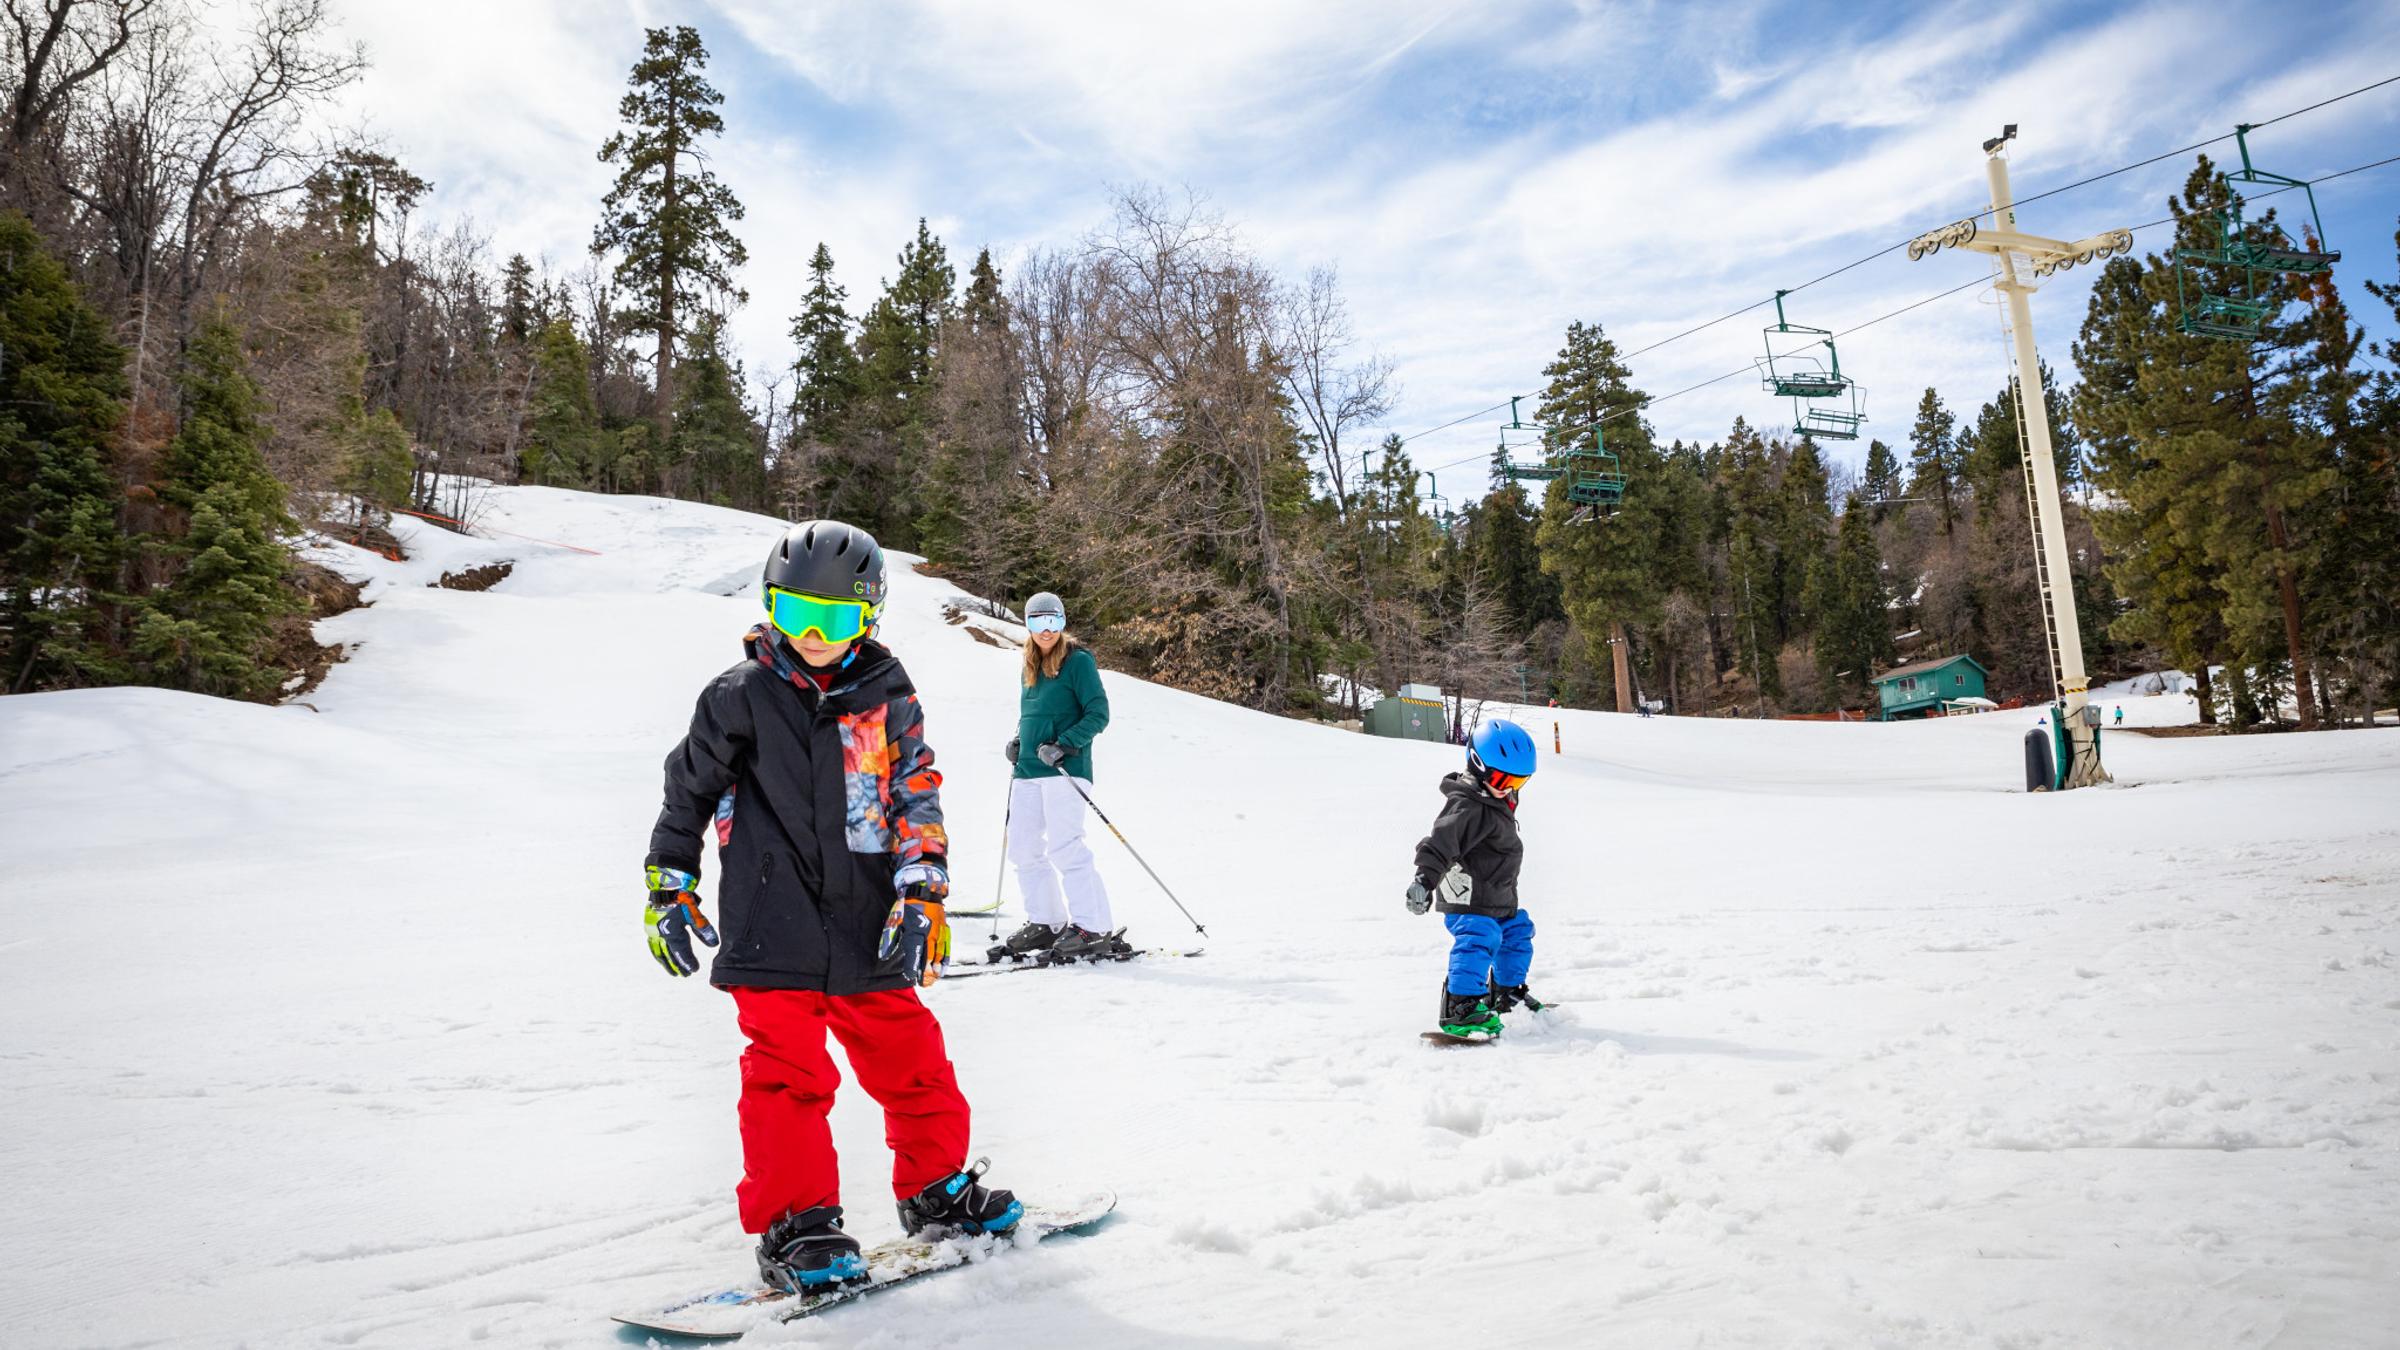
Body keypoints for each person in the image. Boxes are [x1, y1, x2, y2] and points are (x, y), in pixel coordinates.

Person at [642, 520, 1021, 1294]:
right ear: (769, 607)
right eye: (795, 614)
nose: (814, 637)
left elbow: (916, 792)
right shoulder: (737, 697)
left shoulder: (888, 698)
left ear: (870, 617)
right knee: (787, 1081)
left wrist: (923, 892)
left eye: (837, 619)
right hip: (768, 923)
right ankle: (799, 1226)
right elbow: (689, 793)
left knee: (915, 1065)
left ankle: (936, 1191)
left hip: (867, 925)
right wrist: (669, 880)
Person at [994, 592, 1125, 961]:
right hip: (1028, 771)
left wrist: (1065, 744)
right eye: (1038, 622)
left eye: (1053, 622)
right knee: (1022, 847)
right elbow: (1031, 715)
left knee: (1065, 846)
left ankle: (1093, 926)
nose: (1046, 630)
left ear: (1063, 623)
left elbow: (1098, 713)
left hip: (1064, 769)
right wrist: (1019, 741)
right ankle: (1047, 922)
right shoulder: (1028, 664)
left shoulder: (1078, 662)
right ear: (1028, 626)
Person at [1405, 719, 1541, 1037]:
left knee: (1518, 933)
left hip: (1496, 895)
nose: (1508, 788)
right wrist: (1423, 880)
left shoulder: (1495, 797)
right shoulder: (1466, 806)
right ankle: (1461, 1006)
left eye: (1519, 782)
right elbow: (1439, 844)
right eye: (1501, 778)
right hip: (1467, 898)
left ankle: (1506, 994)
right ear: (1477, 765)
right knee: (1480, 939)